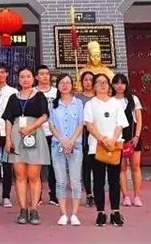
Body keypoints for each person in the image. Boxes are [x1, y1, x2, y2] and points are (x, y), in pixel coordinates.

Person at [3, 67, 50, 225]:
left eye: (28, 76)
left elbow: (44, 116)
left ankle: (34, 209)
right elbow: (8, 119)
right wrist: (8, 139)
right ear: (18, 79)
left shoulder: (39, 96)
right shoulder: (13, 97)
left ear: (33, 78)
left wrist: (30, 128)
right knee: (20, 175)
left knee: (34, 175)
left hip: (34, 134)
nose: (25, 79)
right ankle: (23, 210)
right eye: (22, 77)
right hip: (17, 136)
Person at [83, 73, 128, 227]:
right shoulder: (90, 104)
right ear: (94, 86)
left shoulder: (116, 103)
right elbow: (89, 125)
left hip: (114, 146)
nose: (102, 85)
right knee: (99, 180)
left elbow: (120, 124)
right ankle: (100, 212)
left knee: (114, 180)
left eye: (105, 82)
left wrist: (113, 140)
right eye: (99, 82)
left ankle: (115, 212)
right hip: (96, 146)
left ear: (109, 86)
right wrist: (102, 139)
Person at [48, 74, 84, 226]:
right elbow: (51, 125)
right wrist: (62, 140)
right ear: (57, 86)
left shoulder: (78, 103)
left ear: (72, 85)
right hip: (58, 145)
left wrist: (72, 140)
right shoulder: (53, 104)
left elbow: (81, 123)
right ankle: (63, 213)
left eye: (67, 83)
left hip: (75, 146)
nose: (64, 85)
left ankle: (74, 214)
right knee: (60, 181)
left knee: (75, 181)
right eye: (61, 83)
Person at [112, 73, 144, 207]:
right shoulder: (110, 101)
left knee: (135, 166)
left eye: (122, 83)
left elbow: (139, 119)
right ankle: (125, 196)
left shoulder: (133, 99)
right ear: (113, 85)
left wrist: (137, 136)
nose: (120, 86)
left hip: (133, 136)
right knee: (122, 168)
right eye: (117, 83)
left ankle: (137, 196)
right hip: (118, 138)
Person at [0, 63, 18, 208]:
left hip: (9, 133)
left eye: (3, 72)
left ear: (7, 74)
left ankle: (6, 196)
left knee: (8, 166)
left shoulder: (13, 92)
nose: (1, 75)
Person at [35, 64, 58, 206]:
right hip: (37, 132)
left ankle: (54, 194)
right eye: (41, 74)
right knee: (36, 166)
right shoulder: (32, 92)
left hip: (53, 133)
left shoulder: (56, 92)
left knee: (54, 165)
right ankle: (37, 195)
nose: (44, 76)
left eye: (47, 74)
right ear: (36, 77)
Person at [76, 71, 96, 207]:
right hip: (83, 133)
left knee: (97, 164)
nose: (88, 82)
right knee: (86, 164)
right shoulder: (78, 98)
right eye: (85, 80)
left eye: (90, 80)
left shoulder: (98, 98)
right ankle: (89, 193)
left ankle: (98, 191)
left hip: (97, 133)